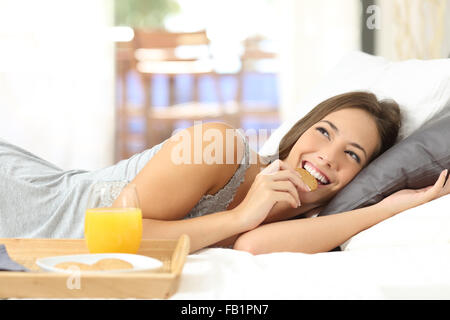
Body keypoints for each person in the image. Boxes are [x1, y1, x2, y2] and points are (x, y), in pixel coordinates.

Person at [1, 91, 448, 254]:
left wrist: (386, 208)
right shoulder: (220, 146)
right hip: (33, 203)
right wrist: (239, 215)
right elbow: (116, 237)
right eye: (323, 131)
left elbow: (253, 245)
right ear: (298, 132)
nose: (327, 156)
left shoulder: (307, 218)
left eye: (352, 155)